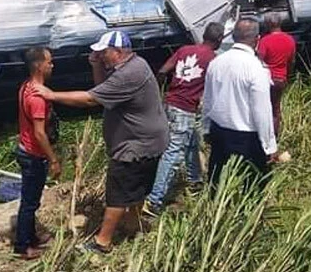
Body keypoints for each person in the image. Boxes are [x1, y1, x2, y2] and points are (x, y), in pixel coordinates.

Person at [33, 31, 167, 254]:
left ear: (118, 52)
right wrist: (96, 65)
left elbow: (90, 99)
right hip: (145, 140)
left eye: (104, 53)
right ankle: (134, 226)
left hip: (136, 146)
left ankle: (102, 243)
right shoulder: (131, 66)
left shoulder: (130, 74)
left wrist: (51, 95)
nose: (101, 56)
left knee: (117, 194)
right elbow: (102, 90)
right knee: (133, 188)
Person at [143, 22, 224, 216]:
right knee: (172, 153)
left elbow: (162, 71)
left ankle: (195, 181)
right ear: (220, 40)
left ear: (203, 35)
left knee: (191, 142)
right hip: (186, 108)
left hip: (170, 104)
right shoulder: (213, 59)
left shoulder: (184, 50)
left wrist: (161, 94)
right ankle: (154, 200)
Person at [201, 19, 278, 190]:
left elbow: (207, 99)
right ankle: (250, 215)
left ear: (234, 37)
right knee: (254, 185)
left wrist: (206, 128)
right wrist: (269, 145)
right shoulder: (257, 68)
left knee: (216, 180)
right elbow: (262, 111)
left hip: (219, 130)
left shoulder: (216, 62)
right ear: (257, 40)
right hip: (246, 137)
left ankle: (214, 212)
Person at [14, 47, 61, 260]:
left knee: (31, 199)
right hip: (33, 155)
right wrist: (53, 159)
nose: (52, 65)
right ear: (38, 65)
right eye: (49, 62)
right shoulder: (37, 98)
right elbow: (40, 134)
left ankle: (31, 237)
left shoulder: (25, 87)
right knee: (30, 202)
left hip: (25, 149)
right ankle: (23, 246)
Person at [256, 14, 296, 137]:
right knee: (276, 108)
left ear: (268, 25)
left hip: (266, 80)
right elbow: (292, 61)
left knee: (263, 108)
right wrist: (288, 76)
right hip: (281, 79)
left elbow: (258, 61)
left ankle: (264, 136)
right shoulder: (290, 39)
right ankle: (275, 136)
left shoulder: (264, 41)